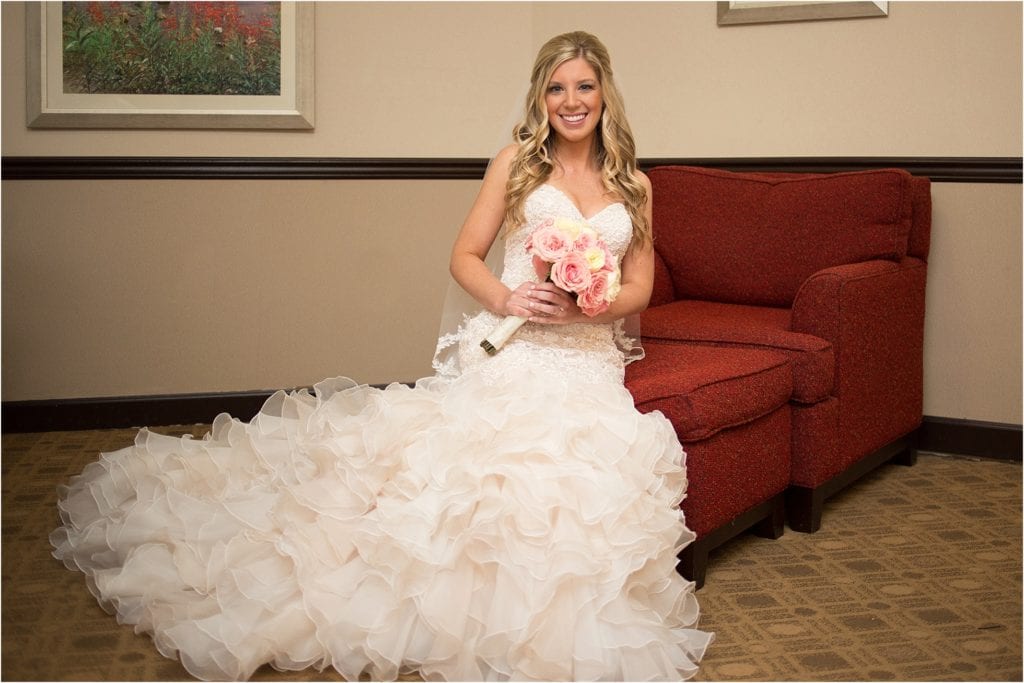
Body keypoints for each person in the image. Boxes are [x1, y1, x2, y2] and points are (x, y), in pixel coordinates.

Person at [50, 31, 712, 681]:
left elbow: (641, 286)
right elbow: (462, 257)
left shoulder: (636, 184)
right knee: (495, 474)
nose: (572, 101)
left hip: (589, 359)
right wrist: (511, 299)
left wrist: (596, 302)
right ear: (541, 98)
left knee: (588, 480)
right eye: (557, 88)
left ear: (605, 94)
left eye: (584, 86)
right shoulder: (515, 164)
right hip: (520, 352)